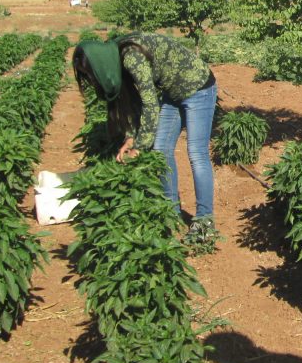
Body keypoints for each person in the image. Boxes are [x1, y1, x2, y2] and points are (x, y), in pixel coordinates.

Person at [72, 32, 219, 248]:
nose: (92, 79)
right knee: (161, 150)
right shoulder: (116, 58)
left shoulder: (130, 56)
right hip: (173, 92)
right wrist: (132, 138)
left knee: (196, 153)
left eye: (91, 73)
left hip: (198, 88)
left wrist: (139, 147)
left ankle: (204, 223)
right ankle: (170, 213)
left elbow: (149, 103)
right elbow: (134, 102)